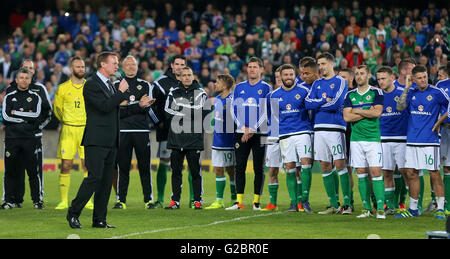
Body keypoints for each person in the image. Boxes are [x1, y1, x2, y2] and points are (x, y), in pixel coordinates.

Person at [66, 52, 153, 229]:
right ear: (102, 65)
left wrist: (139, 105)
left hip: (112, 141)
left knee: (106, 183)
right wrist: (121, 93)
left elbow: (117, 110)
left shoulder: (109, 86)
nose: (117, 66)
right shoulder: (91, 84)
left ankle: (99, 219)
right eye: (114, 63)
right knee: (94, 178)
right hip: (96, 140)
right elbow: (104, 107)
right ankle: (73, 213)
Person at [395, 65, 448, 219]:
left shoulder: (436, 92)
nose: (423, 80)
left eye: (424, 76)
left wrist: (440, 122)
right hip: (412, 140)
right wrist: (406, 88)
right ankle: (413, 210)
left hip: (430, 140)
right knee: (412, 173)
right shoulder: (411, 92)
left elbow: (449, 105)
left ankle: (440, 208)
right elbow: (400, 107)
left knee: (434, 173)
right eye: (419, 77)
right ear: (414, 79)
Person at [305, 52, 352, 215]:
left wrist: (319, 105)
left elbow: (337, 103)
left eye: (323, 63)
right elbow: (307, 103)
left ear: (332, 64)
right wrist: (322, 102)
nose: (320, 67)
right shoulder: (316, 84)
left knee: (340, 164)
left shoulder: (340, 81)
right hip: (319, 129)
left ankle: (347, 204)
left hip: (336, 128)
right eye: (319, 64)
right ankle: (333, 203)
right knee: (325, 165)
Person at [4, 59, 52, 209]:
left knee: (33, 171)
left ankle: (37, 200)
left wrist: (17, 114)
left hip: (32, 137)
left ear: (32, 75)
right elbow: (5, 116)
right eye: (24, 71)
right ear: (17, 77)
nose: (25, 76)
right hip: (12, 138)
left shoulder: (38, 93)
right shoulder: (9, 92)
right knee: (12, 171)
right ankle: (11, 200)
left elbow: (39, 114)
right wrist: (25, 116)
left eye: (29, 71)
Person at [226, 57, 272, 211]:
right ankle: (239, 202)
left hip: (260, 132)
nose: (252, 69)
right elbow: (233, 109)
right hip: (241, 132)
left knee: (259, 167)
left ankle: (256, 203)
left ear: (261, 70)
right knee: (239, 166)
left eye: (255, 67)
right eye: (250, 66)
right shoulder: (239, 87)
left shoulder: (266, 88)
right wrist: (243, 127)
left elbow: (267, 111)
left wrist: (252, 128)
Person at [113, 56, 158, 210]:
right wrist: (138, 104)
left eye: (134, 64)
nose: (131, 67)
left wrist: (128, 105)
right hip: (122, 131)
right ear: (123, 67)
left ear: (138, 67)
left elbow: (148, 107)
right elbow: (117, 110)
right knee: (123, 167)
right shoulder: (116, 84)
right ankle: (121, 200)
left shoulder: (146, 85)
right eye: (128, 64)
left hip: (141, 130)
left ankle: (148, 200)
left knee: (145, 167)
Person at [267, 64, 313, 212]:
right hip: (285, 134)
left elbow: (310, 111)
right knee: (290, 168)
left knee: (306, 164)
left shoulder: (304, 91)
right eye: (285, 75)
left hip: (303, 132)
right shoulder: (274, 95)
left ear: (295, 75)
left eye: (291, 75)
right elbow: (274, 116)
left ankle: (304, 201)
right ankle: (294, 203)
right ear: (281, 77)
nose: (288, 77)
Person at [343, 65, 385, 219]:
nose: (358, 76)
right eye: (356, 74)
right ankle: (367, 208)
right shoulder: (350, 95)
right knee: (361, 173)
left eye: (361, 73)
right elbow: (347, 117)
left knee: (376, 172)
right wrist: (368, 110)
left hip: (373, 139)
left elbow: (378, 112)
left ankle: (380, 208)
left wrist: (357, 110)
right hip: (356, 140)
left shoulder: (376, 92)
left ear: (368, 75)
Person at [164, 66, 208, 210]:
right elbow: (167, 110)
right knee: (175, 172)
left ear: (193, 76)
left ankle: (197, 200)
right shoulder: (173, 92)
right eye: (184, 75)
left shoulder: (200, 92)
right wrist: (188, 109)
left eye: (189, 75)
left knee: (195, 172)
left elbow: (201, 111)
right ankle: (175, 201)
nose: (187, 77)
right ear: (180, 77)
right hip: (176, 138)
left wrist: (180, 109)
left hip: (193, 138)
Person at [53, 57, 93, 210]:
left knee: (87, 165)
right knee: (66, 164)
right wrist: (66, 120)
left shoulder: (89, 86)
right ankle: (63, 200)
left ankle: (88, 200)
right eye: (78, 67)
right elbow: (57, 108)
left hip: (86, 129)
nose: (81, 69)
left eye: (83, 67)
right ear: (71, 69)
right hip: (68, 130)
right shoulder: (62, 88)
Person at [152, 55, 185, 208]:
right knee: (164, 161)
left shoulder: (190, 81)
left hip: (187, 130)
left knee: (189, 164)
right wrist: (158, 123)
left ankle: (194, 199)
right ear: (172, 65)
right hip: (167, 130)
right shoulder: (161, 83)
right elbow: (152, 106)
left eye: (182, 64)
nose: (179, 67)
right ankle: (159, 199)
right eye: (176, 64)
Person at [376, 66, 409, 214]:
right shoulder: (377, 96)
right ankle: (390, 205)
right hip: (383, 138)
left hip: (402, 138)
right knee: (387, 172)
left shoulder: (402, 93)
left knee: (406, 172)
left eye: (383, 78)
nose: (380, 82)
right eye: (378, 79)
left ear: (392, 77)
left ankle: (408, 202)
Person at [205, 74, 237, 209]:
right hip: (217, 140)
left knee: (231, 170)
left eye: (217, 82)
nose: (215, 84)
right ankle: (219, 200)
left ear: (224, 86)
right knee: (218, 169)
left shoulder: (233, 100)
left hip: (229, 140)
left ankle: (235, 199)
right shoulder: (217, 99)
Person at [261, 66, 283, 211]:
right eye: (277, 78)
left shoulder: (296, 93)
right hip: (273, 136)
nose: (279, 80)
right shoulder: (270, 96)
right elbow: (266, 116)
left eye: (281, 77)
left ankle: (299, 202)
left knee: (296, 169)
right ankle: (272, 203)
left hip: (290, 134)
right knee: (272, 170)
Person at [435, 63, 450, 214]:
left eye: (439, 75)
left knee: (446, 167)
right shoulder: (441, 85)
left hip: (445, 128)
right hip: (445, 129)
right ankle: (445, 204)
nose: (437, 78)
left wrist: (437, 123)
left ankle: (445, 204)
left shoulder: (441, 85)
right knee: (446, 167)